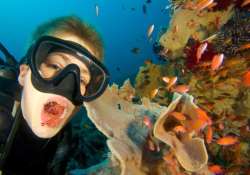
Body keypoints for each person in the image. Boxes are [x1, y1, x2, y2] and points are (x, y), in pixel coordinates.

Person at [0, 15, 110, 175]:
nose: (68, 86)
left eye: (82, 80)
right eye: (54, 65)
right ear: (23, 74)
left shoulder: (63, 139)